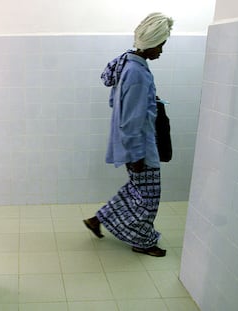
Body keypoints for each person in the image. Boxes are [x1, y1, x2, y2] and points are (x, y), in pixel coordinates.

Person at [83, 12, 174, 257]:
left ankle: (97, 219)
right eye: (161, 45)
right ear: (150, 43)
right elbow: (130, 119)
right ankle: (142, 242)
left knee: (136, 189)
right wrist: (136, 154)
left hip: (138, 143)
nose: (161, 51)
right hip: (141, 146)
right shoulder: (137, 73)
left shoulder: (127, 62)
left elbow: (120, 103)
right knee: (149, 197)